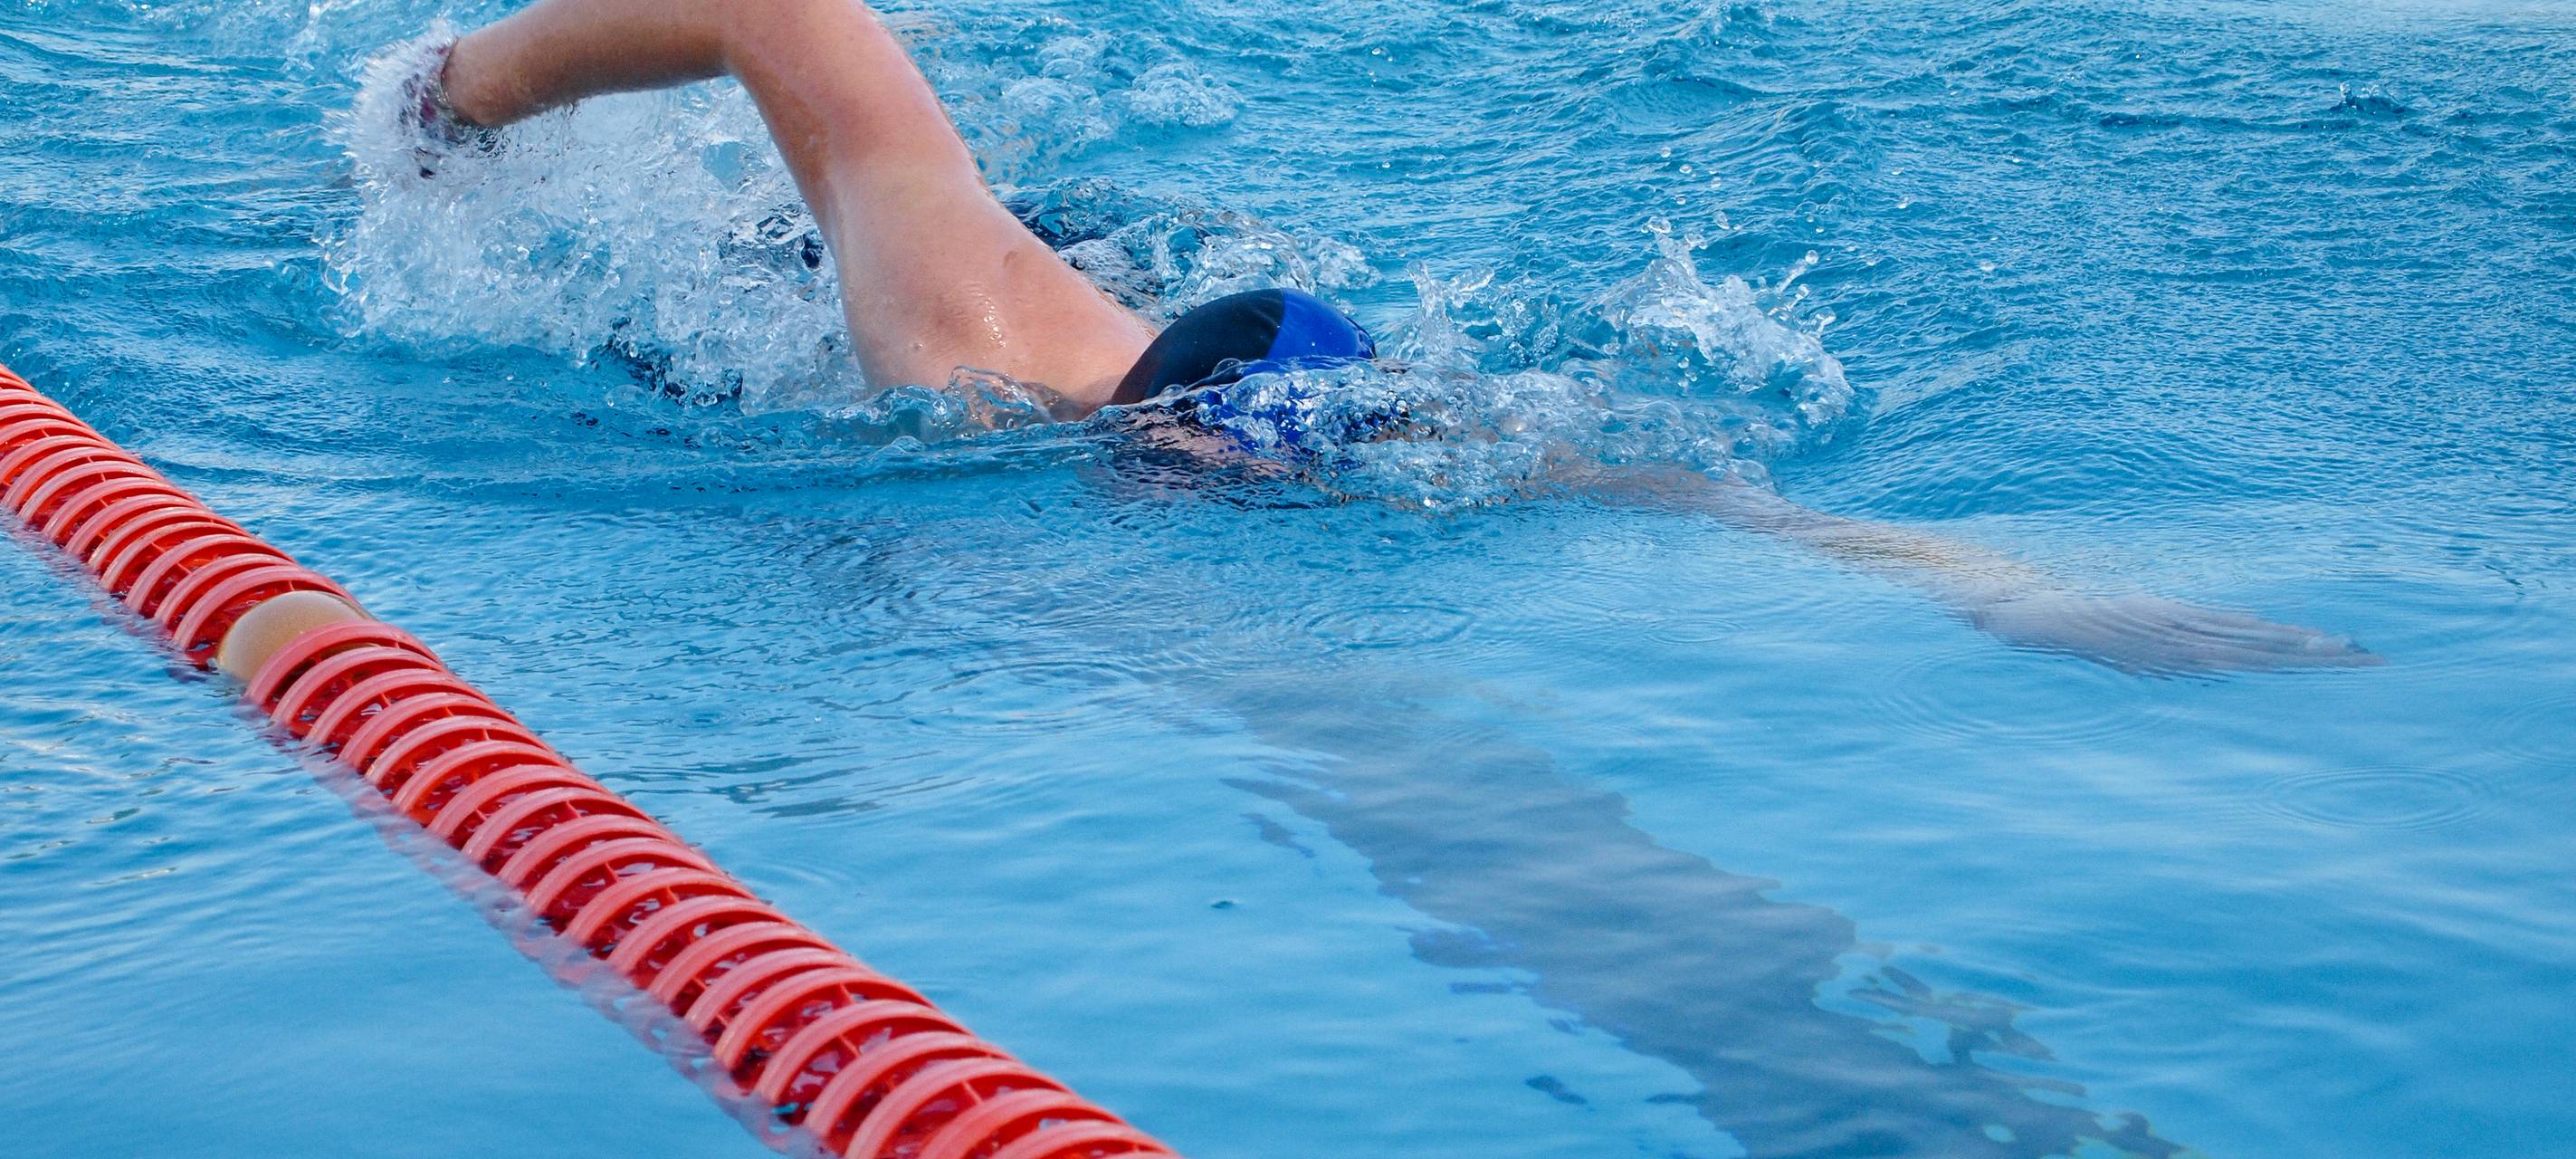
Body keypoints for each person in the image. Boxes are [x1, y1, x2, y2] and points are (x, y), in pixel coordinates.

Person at [354, 0, 2371, 676]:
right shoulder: (969, 318)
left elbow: (778, 11)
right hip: (1136, 307)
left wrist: (446, 101)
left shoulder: (1011, 349)